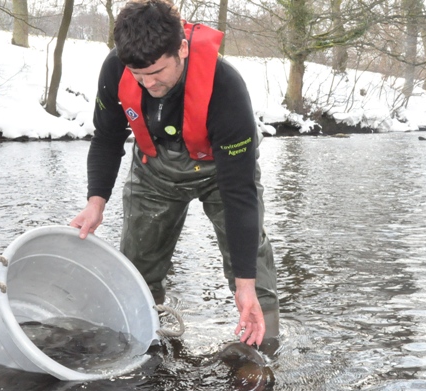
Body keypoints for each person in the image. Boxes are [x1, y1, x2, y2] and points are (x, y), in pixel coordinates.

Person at [70, 0, 279, 347]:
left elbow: (240, 191)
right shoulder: (115, 69)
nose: (148, 83)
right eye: (139, 75)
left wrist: (244, 285)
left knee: (251, 269)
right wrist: (96, 203)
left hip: (219, 172)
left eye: (157, 72)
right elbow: (107, 139)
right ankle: (143, 348)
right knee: (137, 268)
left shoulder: (225, 87)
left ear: (181, 48)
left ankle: (264, 345)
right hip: (155, 171)